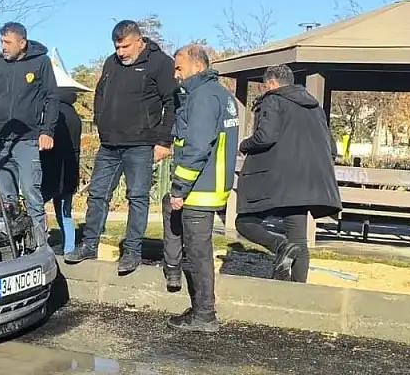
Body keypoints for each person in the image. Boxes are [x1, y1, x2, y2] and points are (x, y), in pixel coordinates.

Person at [65, 20, 178, 274]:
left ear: (139, 41)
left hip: (141, 144)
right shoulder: (110, 63)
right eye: (117, 47)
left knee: (137, 197)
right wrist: (100, 121)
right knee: (97, 193)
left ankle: (133, 251)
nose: (121, 52)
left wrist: (163, 141)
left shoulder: (160, 63)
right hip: (109, 143)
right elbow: (101, 94)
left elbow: (172, 103)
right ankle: (89, 244)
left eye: (125, 47)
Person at [233, 65, 341, 283]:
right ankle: (298, 290)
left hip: (276, 180)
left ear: (271, 83)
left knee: (244, 223)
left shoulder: (273, 100)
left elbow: (266, 136)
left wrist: (244, 144)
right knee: (299, 240)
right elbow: (331, 148)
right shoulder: (314, 107)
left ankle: (280, 246)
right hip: (307, 183)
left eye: (265, 85)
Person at [162, 43, 239, 332]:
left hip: (200, 187)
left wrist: (179, 188)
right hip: (210, 184)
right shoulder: (219, 93)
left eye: (179, 67)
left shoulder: (204, 96)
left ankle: (204, 315)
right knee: (198, 250)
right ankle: (200, 310)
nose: (176, 74)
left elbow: (197, 147)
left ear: (196, 65)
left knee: (197, 253)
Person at [0, 23, 58, 232]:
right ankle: (12, 243)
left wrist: (47, 131)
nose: (3, 46)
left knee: (31, 192)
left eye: (8, 42)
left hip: (28, 138)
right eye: (1, 41)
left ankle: (39, 243)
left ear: (22, 43)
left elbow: (52, 98)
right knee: (5, 199)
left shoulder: (41, 62)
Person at [40, 86, 83, 254]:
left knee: (35, 209)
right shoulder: (75, 115)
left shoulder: (52, 113)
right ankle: (69, 248)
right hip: (70, 173)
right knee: (65, 214)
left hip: (50, 170)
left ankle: (38, 248)